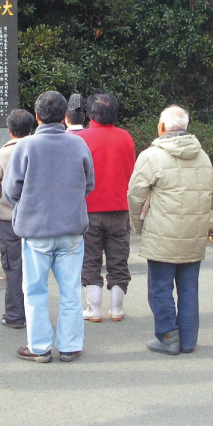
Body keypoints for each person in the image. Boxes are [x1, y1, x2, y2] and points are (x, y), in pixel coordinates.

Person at [3, 90, 94, 363]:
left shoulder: (26, 146)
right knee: (70, 292)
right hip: (71, 229)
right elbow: (88, 185)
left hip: (35, 230)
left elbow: (11, 190)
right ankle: (69, 346)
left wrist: (31, 203)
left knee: (35, 292)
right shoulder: (78, 145)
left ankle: (40, 347)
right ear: (64, 116)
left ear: (38, 116)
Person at [128, 105, 213, 356]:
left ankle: (168, 336)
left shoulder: (151, 156)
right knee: (189, 287)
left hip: (161, 233)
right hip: (194, 233)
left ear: (162, 127)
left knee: (160, 288)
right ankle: (188, 340)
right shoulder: (203, 156)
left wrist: (139, 225)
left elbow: (135, 195)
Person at [77, 92, 136, 322]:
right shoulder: (126, 137)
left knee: (90, 260)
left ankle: (94, 309)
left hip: (89, 208)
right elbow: (130, 170)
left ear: (90, 113)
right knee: (118, 259)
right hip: (119, 207)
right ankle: (117, 309)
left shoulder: (81, 138)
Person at [0, 109, 35, 329]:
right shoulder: (40, 151)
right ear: (31, 128)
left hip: (9, 221)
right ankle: (35, 315)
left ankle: (14, 316)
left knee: (13, 268)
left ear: (9, 130)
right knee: (36, 268)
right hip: (37, 220)